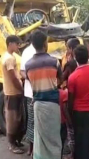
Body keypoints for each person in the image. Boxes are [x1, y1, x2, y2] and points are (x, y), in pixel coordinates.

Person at [25, 30, 62, 159]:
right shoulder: (54, 62)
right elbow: (60, 80)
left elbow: (31, 82)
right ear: (45, 44)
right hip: (53, 105)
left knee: (40, 138)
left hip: (38, 104)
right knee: (54, 137)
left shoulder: (28, 65)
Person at [68, 45, 89, 159]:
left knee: (81, 140)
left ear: (75, 58)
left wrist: (70, 113)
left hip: (79, 112)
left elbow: (71, 98)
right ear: (88, 56)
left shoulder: (73, 77)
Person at [1, 35, 24, 154]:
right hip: (12, 92)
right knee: (12, 119)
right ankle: (11, 144)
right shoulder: (9, 58)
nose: (18, 46)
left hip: (12, 92)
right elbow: (13, 77)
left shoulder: (9, 57)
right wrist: (21, 88)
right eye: (16, 44)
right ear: (10, 44)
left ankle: (15, 141)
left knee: (16, 118)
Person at [20, 39, 36, 156]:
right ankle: (31, 148)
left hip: (41, 93)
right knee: (31, 121)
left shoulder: (44, 52)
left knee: (38, 122)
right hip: (31, 93)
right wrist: (33, 79)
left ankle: (37, 149)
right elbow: (22, 72)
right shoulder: (28, 52)